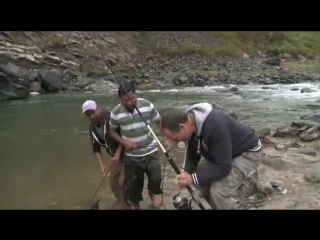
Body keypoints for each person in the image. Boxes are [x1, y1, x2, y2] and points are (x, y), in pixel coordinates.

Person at [159, 102, 263, 210]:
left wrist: (192, 179)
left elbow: (224, 167)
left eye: (175, 138)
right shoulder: (191, 124)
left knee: (218, 192)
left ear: (182, 127)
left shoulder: (215, 126)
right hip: (224, 152)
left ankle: (221, 204)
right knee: (198, 178)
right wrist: (186, 172)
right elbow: (192, 152)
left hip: (248, 152)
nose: (177, 141)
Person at [108, 81, 171, 210]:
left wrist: (165, 139)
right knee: (134, 186)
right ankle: (137, 206)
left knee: (156, 178)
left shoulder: (147, 105)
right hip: (131, 156)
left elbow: (158, 120)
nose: (130, 102)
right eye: (126, 100)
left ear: (135, 95)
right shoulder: (115, 112)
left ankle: (152, 193)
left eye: (132, 98)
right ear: (121, 99)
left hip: (151, 151)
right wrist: (124, 142)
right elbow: (112, 131)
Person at [82, 100, 129, 209]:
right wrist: (102, 165)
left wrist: (117, 154)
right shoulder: (92, 128)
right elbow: (96, 148)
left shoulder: (110, 119)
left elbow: (124, 137)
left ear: (98, 109)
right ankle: (122, 203)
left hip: (127, 153)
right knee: (113, 184)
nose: (92, 116)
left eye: (93, 112)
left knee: (123, 183)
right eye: (88, 115)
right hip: (115, 157)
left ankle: (127, 205)